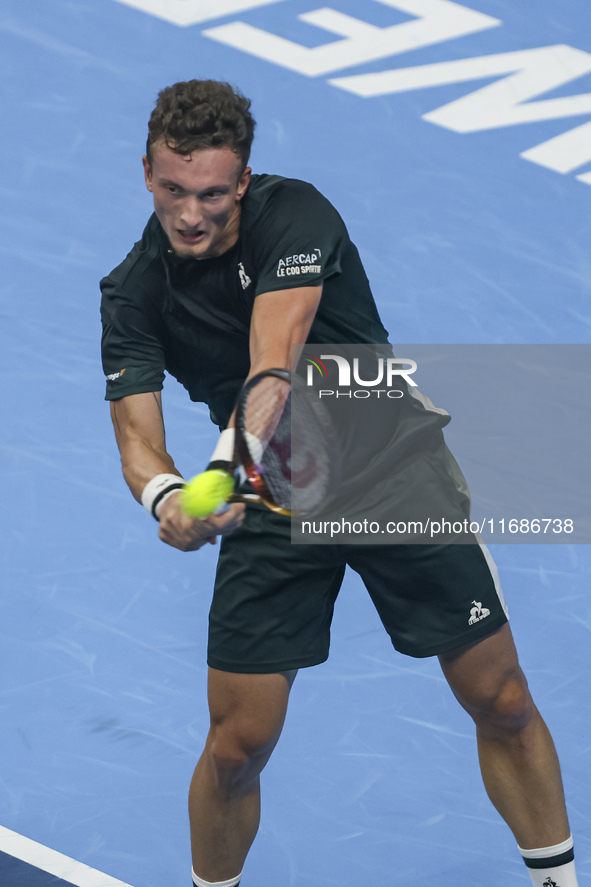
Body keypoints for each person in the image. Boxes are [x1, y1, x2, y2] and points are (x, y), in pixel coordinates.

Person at [100, 80, 579, 887]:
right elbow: (137, 439)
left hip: (392, 469)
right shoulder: (132, 292)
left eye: (213, 193)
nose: (191, 214)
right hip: (268, 495)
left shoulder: (297, 216)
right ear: (146, 171)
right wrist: (168, 498)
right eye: (174, 190)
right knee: (234, 748)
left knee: (500, 699)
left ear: (243, 182)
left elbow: (273, 364)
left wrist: (220, 474)